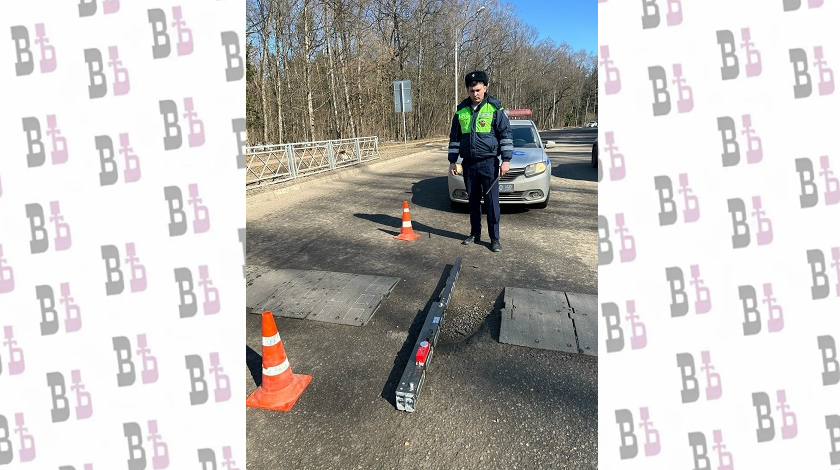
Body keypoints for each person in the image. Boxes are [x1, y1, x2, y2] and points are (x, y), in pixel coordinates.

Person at [448, 70, 513, 252]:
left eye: (478, 90)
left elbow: (506, 135)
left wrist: (506, 160)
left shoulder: (495, 109)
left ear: (485, 87)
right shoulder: (461, 111)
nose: (475, 94)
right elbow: (454, 138)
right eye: (471, 91)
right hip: (469, 164)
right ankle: (475, 233)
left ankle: (494, 238)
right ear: (467, 90)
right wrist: (453, 161)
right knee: (473, 201)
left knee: (492, 203)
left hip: (489, 163)